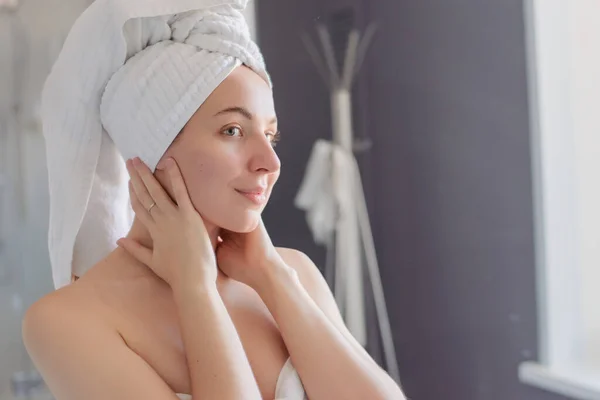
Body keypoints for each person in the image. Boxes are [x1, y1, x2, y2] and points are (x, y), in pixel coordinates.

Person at [21, 1, 405, 399]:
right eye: (233, 131)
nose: (270, 162)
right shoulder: (67, 321)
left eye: (270, 135)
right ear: (151, 149)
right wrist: (195, 289)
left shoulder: (292, 273)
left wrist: (271, 276)